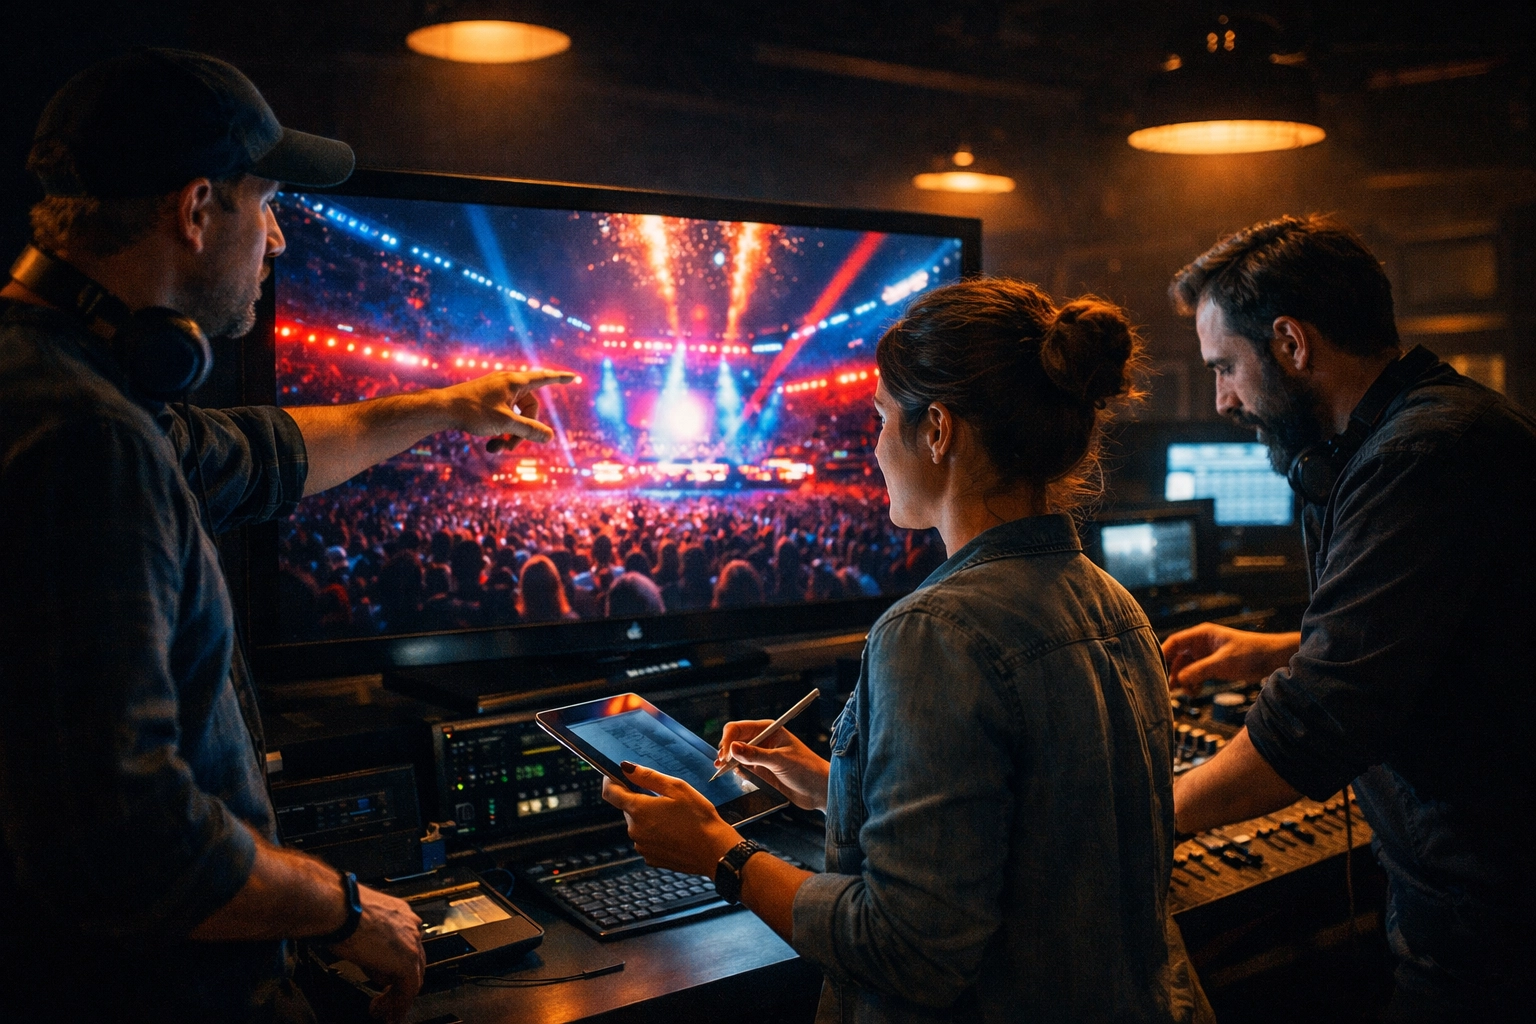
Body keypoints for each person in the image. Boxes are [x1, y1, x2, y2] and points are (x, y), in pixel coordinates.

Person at [0, 49, 571, 1023]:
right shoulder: (85, 439)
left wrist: (447, 406)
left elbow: (265, 454)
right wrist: (342, 907)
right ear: (196, 209)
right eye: (266, 205)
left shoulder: (69, 383)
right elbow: (121, 837)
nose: (277, 240)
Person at [603, 278, 1211, 1023]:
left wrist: (717, 852)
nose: (875, 446)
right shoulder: (1114, 604)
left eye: (882, 418)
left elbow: (906, 949)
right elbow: (1031, 836)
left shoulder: (934, 632)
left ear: (938, 430)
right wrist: (831, 784)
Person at [1161, 215, 1536, 1021]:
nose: (1223, 399)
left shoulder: (1420, 455)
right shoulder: (1431, 430)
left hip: (1493, 918)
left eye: (1225, 367)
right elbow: (1447, 632)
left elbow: (1321, 718)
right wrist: (1275, 650)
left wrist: (1153, 815)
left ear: (1291, 343)